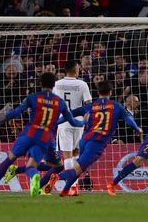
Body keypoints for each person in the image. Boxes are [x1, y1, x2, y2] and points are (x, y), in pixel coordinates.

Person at [0, 72, 85, 198]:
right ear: (54, 84)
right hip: (45, 138)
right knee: (41, 166)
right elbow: (72, 121)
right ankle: (34, 176)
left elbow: (16, 112)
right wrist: (85, 122)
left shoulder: (33, 97)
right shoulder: (60, 102)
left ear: (40, 83)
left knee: (9, 160)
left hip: (29, 133)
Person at [46, 80, 143, 197]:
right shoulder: (116, 106)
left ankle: (66, 190)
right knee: (77, 169)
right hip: (97, 143)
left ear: (98, 92)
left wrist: (55, 123)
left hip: (84, 140)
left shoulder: (91, 106)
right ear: (110, 93)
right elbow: (129, 120)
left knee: (79, 168)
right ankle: (57, 177)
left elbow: (70, 114)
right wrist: (137, 128)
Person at [51, 60, 92, 195]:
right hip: (79, 123)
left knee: (67, 156)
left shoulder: (57, 84)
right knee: (76, 155)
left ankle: (71, 187)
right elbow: (88, 105)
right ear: (75, 69)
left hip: (63, 123)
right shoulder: (82, 84)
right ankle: (74, 187)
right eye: (79, 68)